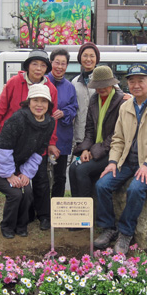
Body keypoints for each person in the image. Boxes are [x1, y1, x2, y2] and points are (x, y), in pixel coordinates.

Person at [93, 64, 147, 254]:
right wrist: (113, 161)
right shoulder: (126, 106)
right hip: (126, 162)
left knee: (136, 189)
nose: (136, 85)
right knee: (102, 185)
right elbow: (118, 138)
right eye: (132, 81)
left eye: (141, 80)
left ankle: (125, 233)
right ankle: (108, 228)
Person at [0, 49, 59, 230]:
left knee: (40, 180)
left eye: (42, 65)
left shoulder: (51, 89)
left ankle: (43, 216)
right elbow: (0, 108)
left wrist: (51, 143)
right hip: (11, 141)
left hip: (36, 142)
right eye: (34, 64)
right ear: (27, 66)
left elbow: (51, 119)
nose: (38, 68)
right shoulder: (14, 82)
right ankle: (16, 221)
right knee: (16, 185)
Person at [69, 66, 125, 199]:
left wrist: (93, 152)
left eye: (104, 85)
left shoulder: (122, 101)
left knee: (82, 170)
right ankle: (77, 209)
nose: (101, 88)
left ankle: (87, 213)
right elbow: (89, 130)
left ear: (112, 84)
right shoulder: (94, 99)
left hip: (112, 151)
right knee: (72, 168)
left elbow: (116, 134)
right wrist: (85, 150)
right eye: (98, 85)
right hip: (95, 148)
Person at [47, 49, 78, 198]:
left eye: (63, 64)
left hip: (62, 136)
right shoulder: (43, 82)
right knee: (41, 176)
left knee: (60, 176)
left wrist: (64, 112)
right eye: (57, 63)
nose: (60, 67)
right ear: (51, 62)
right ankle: (40, 210)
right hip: (44, 136)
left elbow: (74, 107)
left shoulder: (70, 87)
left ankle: (56, 205)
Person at [72, 42, 101, 148]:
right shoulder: (75, 82)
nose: (88, 59)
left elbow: (118, 95)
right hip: (80, 135)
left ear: (97, 59)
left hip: (99, 135)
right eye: (85, 55)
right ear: (80, 58)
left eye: (92, 56)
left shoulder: (104, 79)